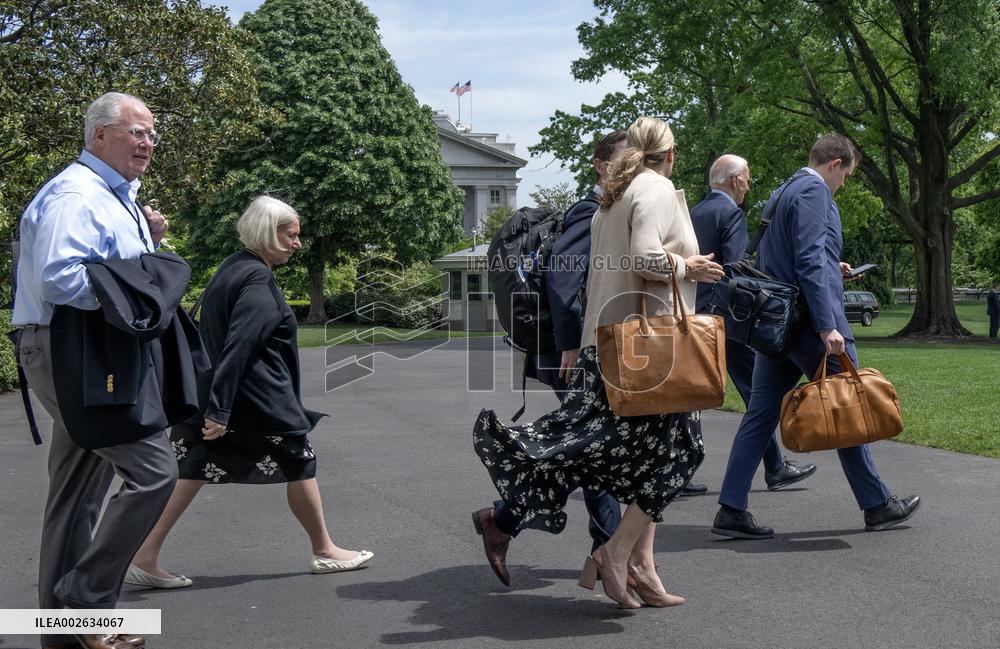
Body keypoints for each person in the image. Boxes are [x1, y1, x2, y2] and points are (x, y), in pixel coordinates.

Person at [475, 116, 724, 608]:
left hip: (614, 344)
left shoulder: (614, 197)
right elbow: (645, 256)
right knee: (676, 454)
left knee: (629, 455)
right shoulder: (652, 188)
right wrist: (688, 266)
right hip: (647, 348)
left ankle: (637, 565)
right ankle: (614, 553)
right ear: (670, 154)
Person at [126, 196, 373, 589]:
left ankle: (143, 555)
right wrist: (220, 411)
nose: (297, 244)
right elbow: (238, 345)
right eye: (291, 236)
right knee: (299, 461)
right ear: (266, 233)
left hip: (221, 398)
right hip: (256, 402)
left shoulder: (233, 266)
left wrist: (215, 405)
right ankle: (324, 550)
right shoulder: (256, 279)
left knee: (192, 470)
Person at [13, 91, 173, 649]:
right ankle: (84, 602)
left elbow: (110, 268)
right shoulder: (76, 194)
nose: (148, 142)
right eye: (136, 131)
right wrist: (129, 300)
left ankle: (61, 634)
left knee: (78, 491)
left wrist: (147, 242)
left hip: (86, 351)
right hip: (71, 349)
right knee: (155, 471)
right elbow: (61, 278)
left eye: (152, 133)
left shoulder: (115, 197)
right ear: (99, 135)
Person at [711, 135, 920, 539]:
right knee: (848, 404)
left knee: (759, 415)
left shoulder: (784, 189)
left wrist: (831, 263)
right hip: (811, 326)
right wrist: (828, 325)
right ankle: (877, 505)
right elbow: (807, 257)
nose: (843, 184)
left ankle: (731, 506)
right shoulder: (813, 190)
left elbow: (789, 256)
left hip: (781, 325)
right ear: (836, 164)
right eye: (847, 175)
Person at [472, 130, 628, 587]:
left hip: (581, 350)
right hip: (571, 353)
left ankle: (502, 521)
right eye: (624, 162)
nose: (631, 170)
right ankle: (610, 552)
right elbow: (564, 282)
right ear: (601, 165)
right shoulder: (588, 210)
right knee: (597, 449)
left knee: (585, 449)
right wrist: (571, 345)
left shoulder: (609, 211)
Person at [689, 154, 817, 492]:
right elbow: (737, 271)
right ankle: (773, 468)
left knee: (695, 393)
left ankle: (770, 465)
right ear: (733, 180)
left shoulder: (695, 212)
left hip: (696, 315)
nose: (748, 184)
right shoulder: (730, 212)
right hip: (728, 320)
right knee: (757, 396)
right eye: (746, 178)